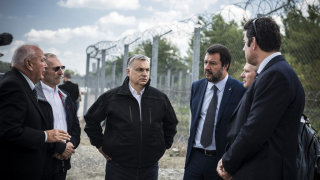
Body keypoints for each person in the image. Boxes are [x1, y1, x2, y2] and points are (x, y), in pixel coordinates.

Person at [217, 17, 305, 180]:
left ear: (254, 42)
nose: (244, 49)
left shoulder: (276, 75)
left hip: (264, 172)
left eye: (245, 43)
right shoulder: (274, 72)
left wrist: (229, 162)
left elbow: (254, 131)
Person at [84, 54, 179, 180]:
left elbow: (171, 124)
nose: (144, 73)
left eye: (147, 70)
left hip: (149, 168)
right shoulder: (111, 97)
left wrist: (162, 146)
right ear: (128, 72)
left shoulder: (160, 98)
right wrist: (101, 146)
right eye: (139, 69)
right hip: (118, 168)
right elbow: (91, 120)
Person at [0, 44, 71, 180]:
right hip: (17, 170)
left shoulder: (22, 84)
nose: (45, 65)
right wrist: (45, 136)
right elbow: (8, 131)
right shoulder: (13, 85)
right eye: (42, 60)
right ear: (29, 64)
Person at [183, 44, 246, 180]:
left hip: (221, 161)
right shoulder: (197, 87)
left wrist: (231, 161)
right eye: (205, 62)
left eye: (212, 63)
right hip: (194, 158)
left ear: (225, 65)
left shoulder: (240, 90)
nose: (207, 67)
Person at [35, 53, 81, 180]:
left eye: (62, 67)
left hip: (62, 162)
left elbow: (75, 126)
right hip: (40, 162)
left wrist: (71, 144)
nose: (61, 72)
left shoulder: (65, 96)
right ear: (43, 70)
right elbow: (33, 130)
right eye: (56, 68)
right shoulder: (34, 96)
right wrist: (60, 148)